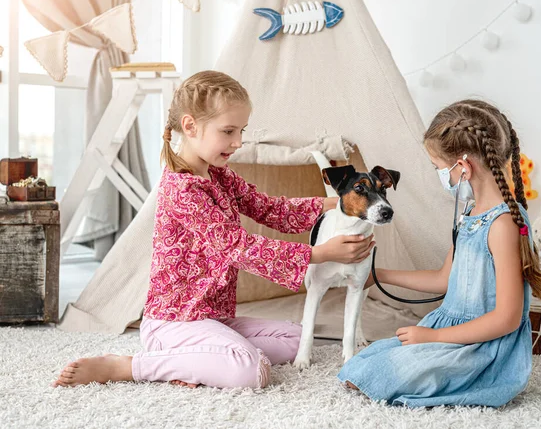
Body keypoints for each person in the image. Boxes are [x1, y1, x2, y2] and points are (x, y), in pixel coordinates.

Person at [53, 71, 374, 389]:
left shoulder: (219, 174)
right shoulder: (183, 188)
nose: (238, 142)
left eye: (241, 131)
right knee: (251, 371)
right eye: (229, 131)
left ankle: (206, 358)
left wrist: (334, 204)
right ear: (190, 126)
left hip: (213, 316)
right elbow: (239, 247)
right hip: (175, 321)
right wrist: (319, 254)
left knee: (297, 337)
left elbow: (267, 207)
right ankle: (131, 366)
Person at [337, 99, 541, 408]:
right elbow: (443, 279)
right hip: (448, 331)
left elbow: (506, 319)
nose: (441, 176)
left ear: (463, 167)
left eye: (439, 168)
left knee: (391, 372)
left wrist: (433, 339)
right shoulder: (468, 212)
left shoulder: (503, 224)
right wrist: (378, 275)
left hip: (482, 346)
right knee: (366, 363)